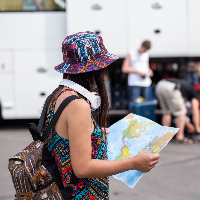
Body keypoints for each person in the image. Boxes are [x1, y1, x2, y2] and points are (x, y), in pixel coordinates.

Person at [43, 32, 160, 199]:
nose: (105, 74)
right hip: (79, 194)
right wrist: (134, 163)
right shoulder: (78, 104)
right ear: (94, 69)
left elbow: (64, 138)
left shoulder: (58, 95)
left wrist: (93, 133)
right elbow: (82, 168)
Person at [155, 78, 200, 144]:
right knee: (181, 113)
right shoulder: (194, 94)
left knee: (166, 112)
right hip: (171, 87)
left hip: (160, 85)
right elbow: (195, 111)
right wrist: (198, 128)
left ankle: (164, 137)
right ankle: (180, 137)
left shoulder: (188, 88)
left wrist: (187, 123)